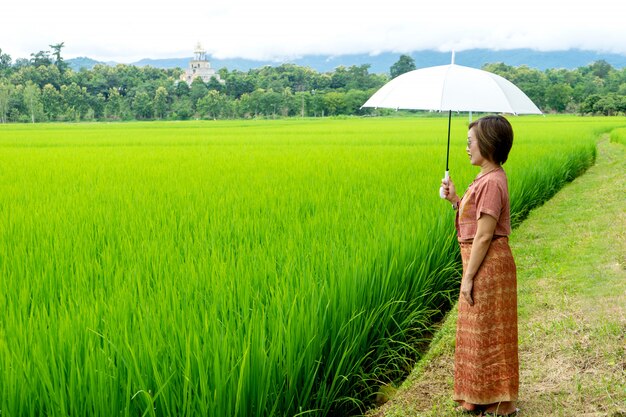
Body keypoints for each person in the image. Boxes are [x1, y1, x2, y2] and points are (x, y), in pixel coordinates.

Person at [441, 115, 519, 416]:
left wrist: (468, 277)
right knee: (479, 330)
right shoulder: (487, 178)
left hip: (487, 264)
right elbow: (476, 220)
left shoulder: (494, 180)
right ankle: (479, 396)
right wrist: (456, 199)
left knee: (490, 330)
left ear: (487, 144)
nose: (466, 148)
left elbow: (485, 234)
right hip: (480, 262)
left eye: (470, 142)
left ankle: (501, 401)